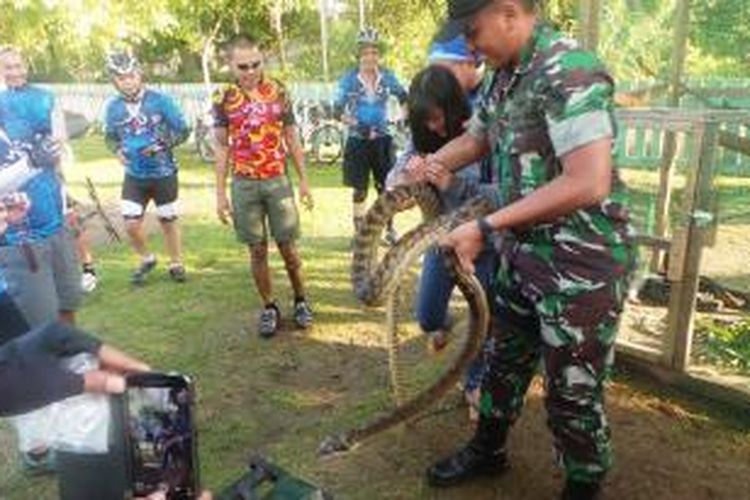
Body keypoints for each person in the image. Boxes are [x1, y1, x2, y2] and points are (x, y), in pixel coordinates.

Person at [407, 1, 636, 499]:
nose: (468, 45)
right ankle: (488, 450)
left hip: (580, 265)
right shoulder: (502, 77)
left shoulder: (569, 70)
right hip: (521, 254)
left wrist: (485, 227)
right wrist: (425, 166)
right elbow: (478, 138)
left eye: (473, 30)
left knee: (572, 394)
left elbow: (589, 181)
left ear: (509, 11)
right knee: (503, 362)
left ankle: (582, 486)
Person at [387, 65, 498, 421]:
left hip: (481, 244)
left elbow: (501, 196)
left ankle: (475, 383)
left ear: (454, 105)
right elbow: (393, 180)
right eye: (426, 122)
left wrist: (452, 184)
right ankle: (448, 326)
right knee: (427, 316)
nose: (435, 128)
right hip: (440, 244)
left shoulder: (481, 136)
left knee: (484, 319)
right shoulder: (421, 142)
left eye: (438, 118)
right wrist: (407, 176)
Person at [213, 35, 314, 338]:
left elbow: (292, 137)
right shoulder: (223, 97)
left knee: (289, 250)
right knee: (257, 251)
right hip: (244, 185)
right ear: (230, 65)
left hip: (277, 181)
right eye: (242, 66)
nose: (250, 71)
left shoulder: (278, 92)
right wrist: (220, 194)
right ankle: (269, 306)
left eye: (255, 64)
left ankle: (300, 300)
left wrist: (304, 180)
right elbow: (221, 146)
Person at [0, 47, 82, 326]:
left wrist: (67, 201)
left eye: (18, 65)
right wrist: (32, 162)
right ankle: (52, 369)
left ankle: (74, 362)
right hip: (21, 237)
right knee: (41, 321)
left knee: (68, 301)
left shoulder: (44, 98)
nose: (14, 72)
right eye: (7, 67)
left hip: (57, 223)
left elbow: (60, 149)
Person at [103, 52, 190, 285]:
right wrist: (116, 151)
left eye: (131, 76)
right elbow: (110, 137)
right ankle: (147, 258)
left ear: (139, 74)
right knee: (130, 224)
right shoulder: (112, 108)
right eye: (121, 78)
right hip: (134, 175)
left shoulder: (161, 100)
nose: (127, 81)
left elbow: (183, 129)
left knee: (167, 219)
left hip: (163, 172)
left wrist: (161, 145)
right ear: (114, 81)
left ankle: (176, 262)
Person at [334, 27, 408, 244]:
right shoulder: (348, 79)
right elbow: (337, 111)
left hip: (383, 140)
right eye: (366, 53)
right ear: (358, 55)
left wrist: (404, 118)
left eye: (374, 52)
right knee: (359, 189)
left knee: (386, 187)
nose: (370, 57)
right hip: (358, 141)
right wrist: (358, 125)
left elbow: (404, 97)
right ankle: (359, 234)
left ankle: (390, 230)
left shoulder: (388, 77)